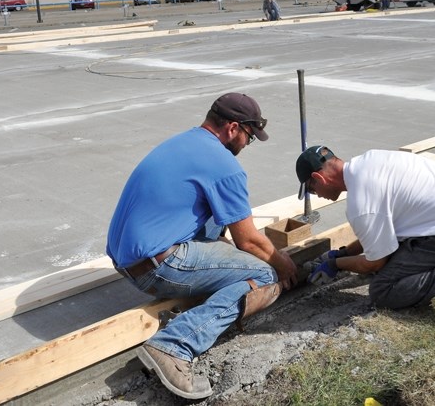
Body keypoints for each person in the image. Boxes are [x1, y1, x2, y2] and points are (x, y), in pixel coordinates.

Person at [107, 92, 298, 400]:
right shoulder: (224, 164)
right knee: (264, 275)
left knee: (215, 213)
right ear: (233, 128)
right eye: (249, 138)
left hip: (127, 258)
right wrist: (284, 263)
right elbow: (248, 240)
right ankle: (175, 345)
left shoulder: (185, 142)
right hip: (156, 267)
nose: (246, 146)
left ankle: (204, 286)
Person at [295, 145, 435, 310]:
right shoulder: (371, 160)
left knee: (383, 290)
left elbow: (374, 263)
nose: (317, 196)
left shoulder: (361, 202)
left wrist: (336, 265)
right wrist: (345, 253)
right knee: (391, 260)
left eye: (312, 191)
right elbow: (380, 230)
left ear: (318, 178)